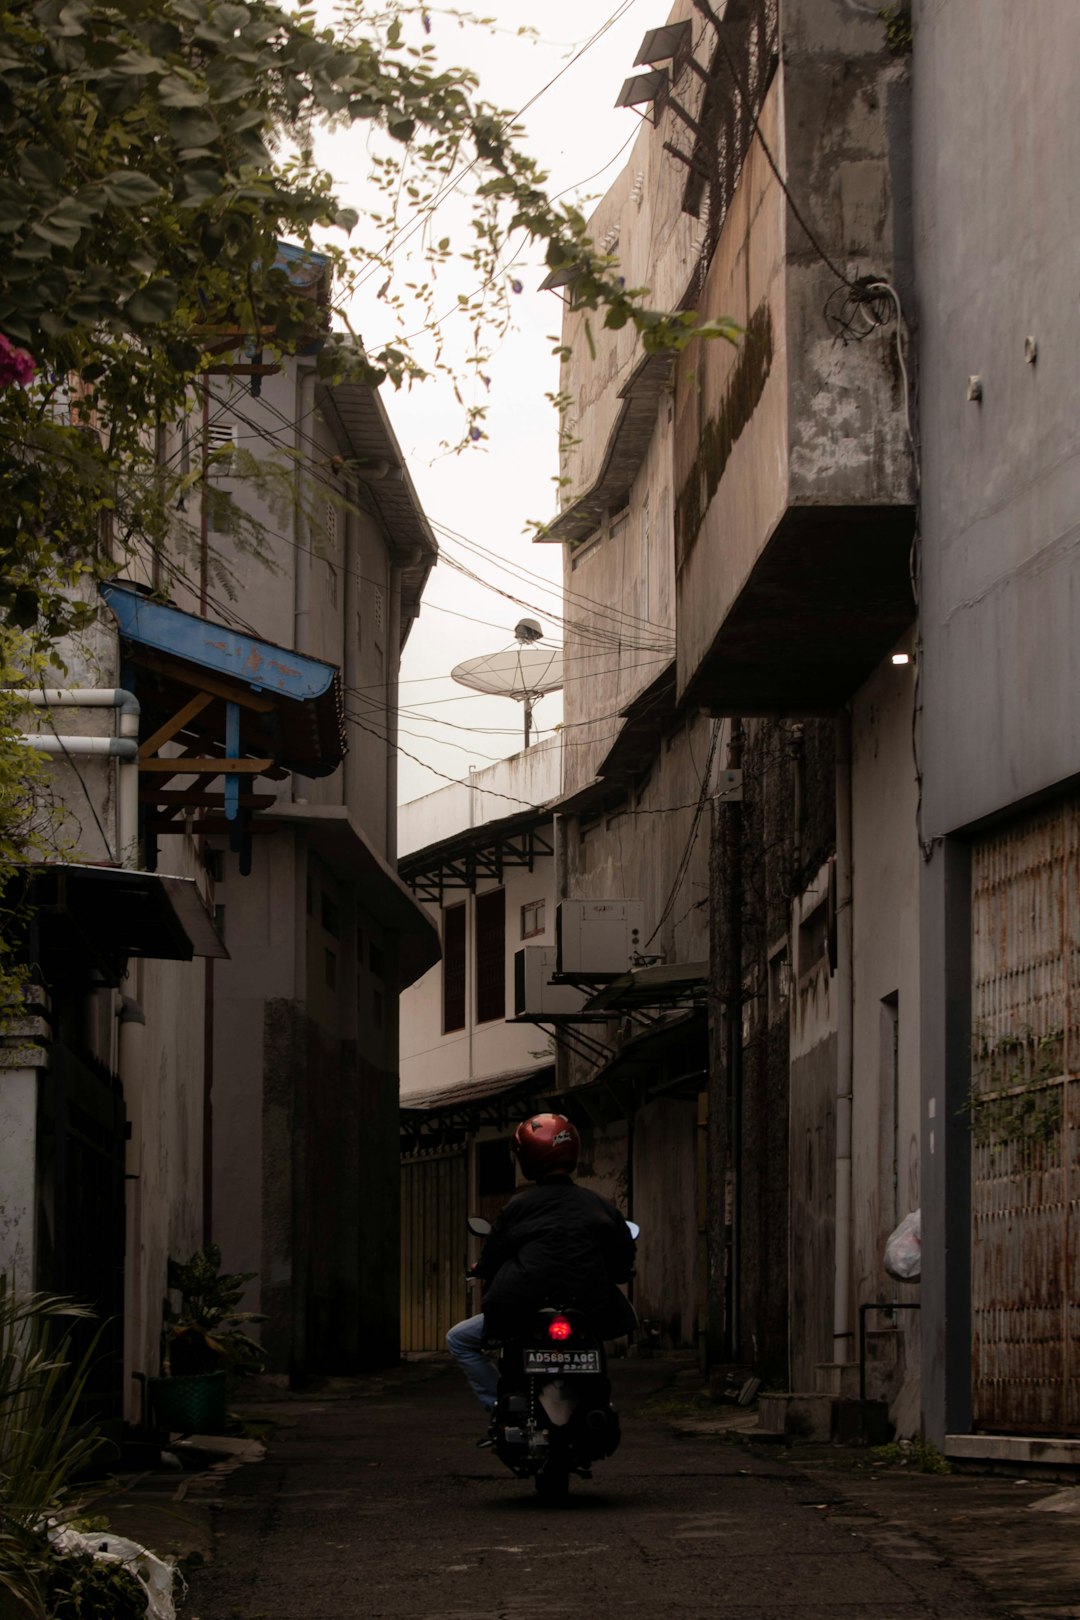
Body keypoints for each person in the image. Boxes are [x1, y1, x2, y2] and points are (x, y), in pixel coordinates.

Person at [446, 1112, 637, 1412]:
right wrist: (620, 1272)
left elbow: (493, 1255)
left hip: (521, 1304)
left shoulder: (517, 1207)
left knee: (457, 1339)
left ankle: (498, 1404)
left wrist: (480, 1270)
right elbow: (623, 1257)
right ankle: (597, 1405)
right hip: (589, 1304)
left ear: (526, 1158)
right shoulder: (600, 1206)